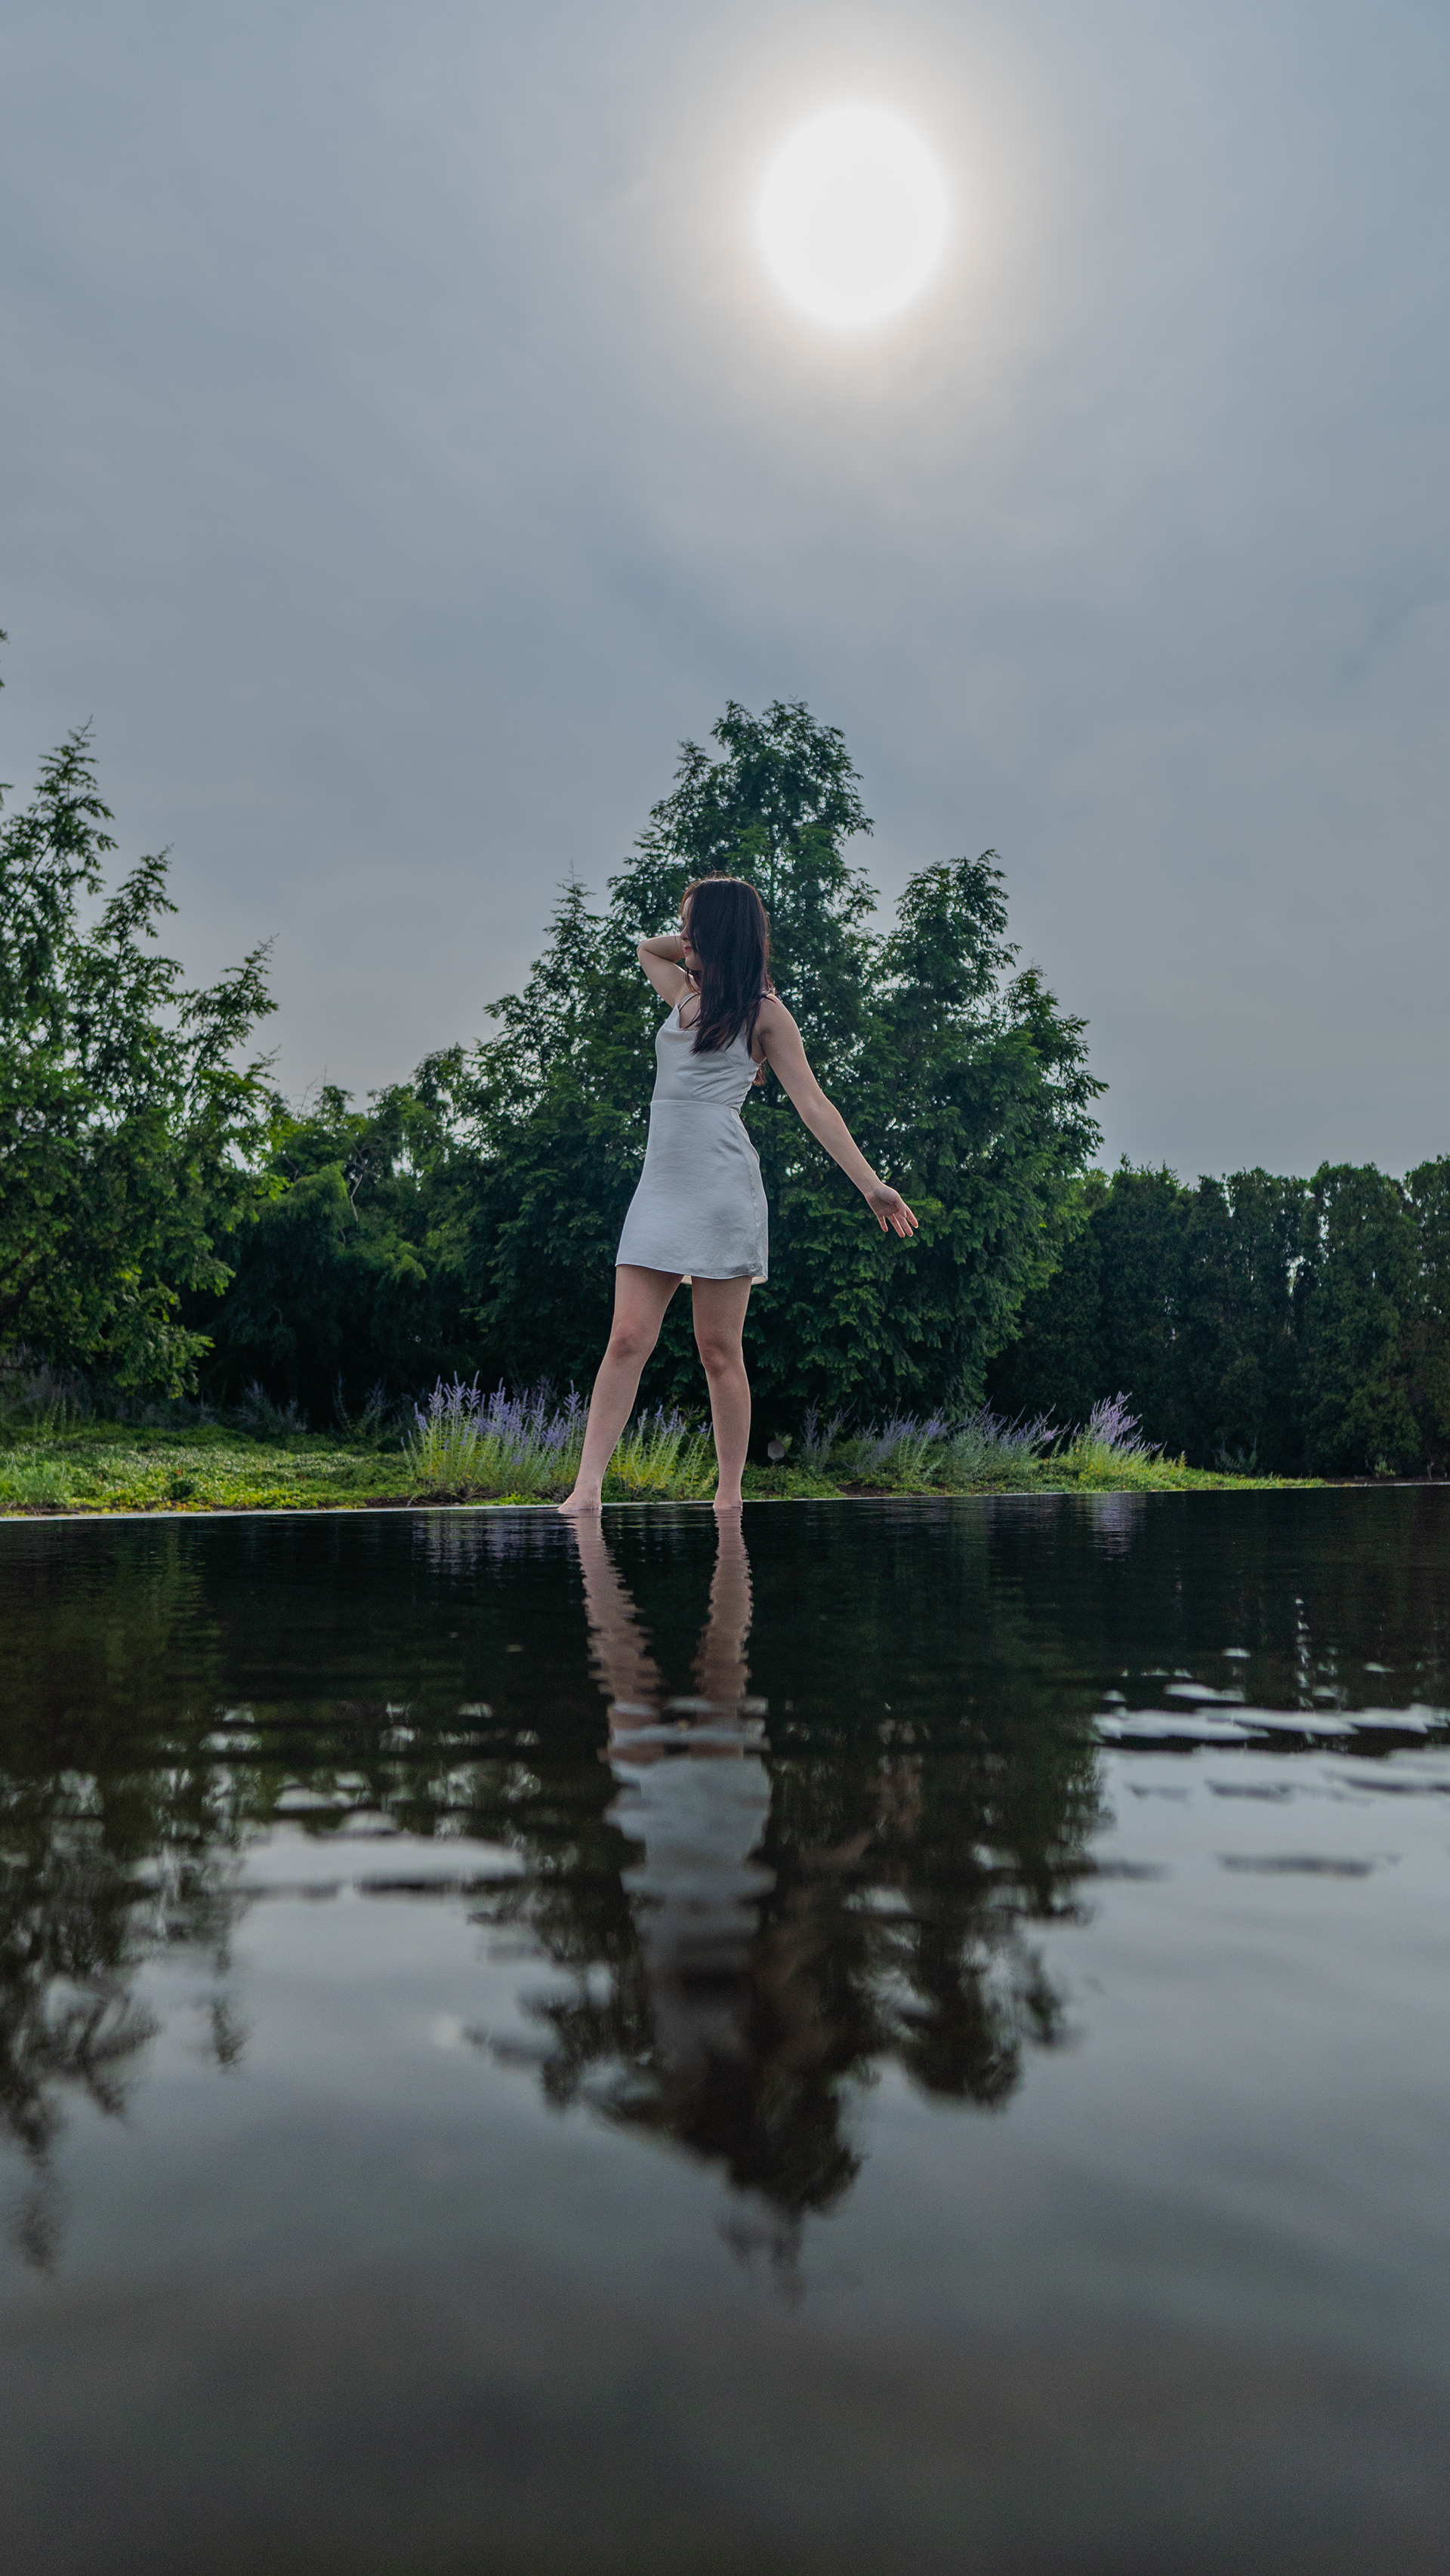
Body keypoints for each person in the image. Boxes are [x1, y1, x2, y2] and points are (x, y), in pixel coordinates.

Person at [559, 874, 916, 1515]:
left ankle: (729, 1494)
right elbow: (648, 948)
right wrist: (697, 938)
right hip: (661, 1188)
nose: (683, 934)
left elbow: (814, 1103)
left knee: (718, 1350)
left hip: (722, 1186)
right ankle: (586, 1489)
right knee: (626, 1339)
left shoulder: (766, 1014)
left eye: (695, 922)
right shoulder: (684, 995)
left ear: (722, 930)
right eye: (683, 922)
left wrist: (872, 1185)